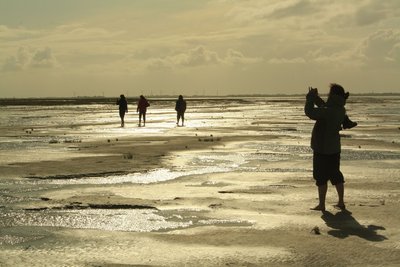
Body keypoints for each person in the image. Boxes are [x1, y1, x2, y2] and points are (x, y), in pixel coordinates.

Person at [304, 84, 348, 211]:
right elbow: (325, 108)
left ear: (332, 95)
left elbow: (310, 112)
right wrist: (316, 98)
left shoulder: (330, 110)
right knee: (336, 175)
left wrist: (310, 98)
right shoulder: (340, 108)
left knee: (321, 176)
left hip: (322, 148)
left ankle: (322, 204)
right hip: (334, 148)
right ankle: (341, 202)